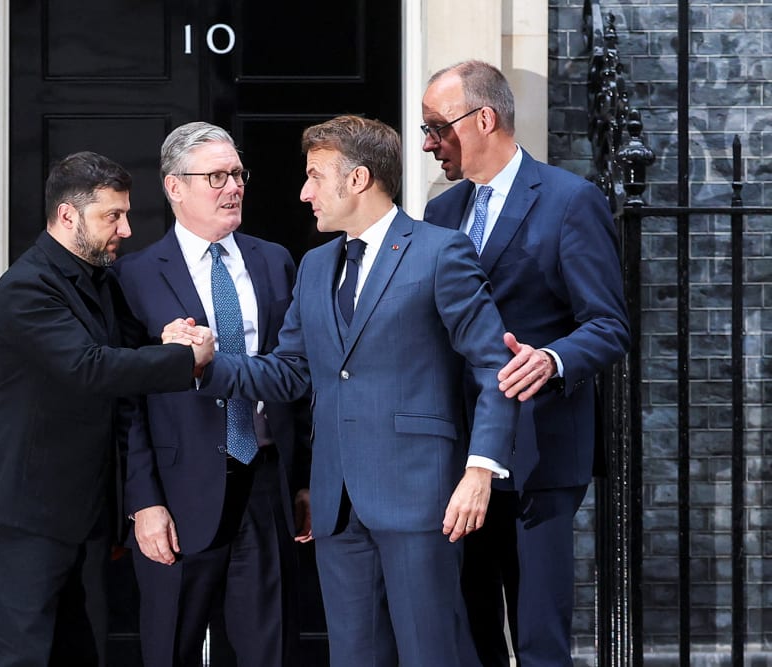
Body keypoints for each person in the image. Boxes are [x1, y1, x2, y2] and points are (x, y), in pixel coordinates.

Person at [170, 114, 519, 667]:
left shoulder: (439, 252)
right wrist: (204, 366)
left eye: (314, 176)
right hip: (338, 507)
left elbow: (494, 366)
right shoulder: (313, 266)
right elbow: (289, 372)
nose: (303, 192)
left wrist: (481, 469)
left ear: (358, 180)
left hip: (422, 497)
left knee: (434, 654)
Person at [421, 60, 631, 667]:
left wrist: (553, 358)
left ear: (483, 118)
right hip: (461, 455)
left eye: (438, 127)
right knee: (471, 628)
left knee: (540, 638)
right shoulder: (440, 214)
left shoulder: (570, 201)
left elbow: (610, 324)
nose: (430, 142)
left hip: (541, 451)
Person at [0, 151, 213, 666]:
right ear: (67, 215)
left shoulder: (100, 280)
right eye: (112, 216)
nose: (126, 229)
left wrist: (168, 339)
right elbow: (90, 368)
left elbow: (129, 350)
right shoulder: (26, 288)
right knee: (21, 655)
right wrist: (181, 361)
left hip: (86, 513)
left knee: (80, 653)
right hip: (28, 511)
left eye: (125, 214)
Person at [113, 121, 306, 667]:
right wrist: (144, 502)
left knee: (269, 650)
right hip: (177, 494)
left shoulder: (275, 261)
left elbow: (298, 377)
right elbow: (127, 403)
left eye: (238, 174)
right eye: (216, 176)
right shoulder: (136, 276)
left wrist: (305, 479)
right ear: (175, 187)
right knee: (170, 648)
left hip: (266, 482)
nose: (233, 187)